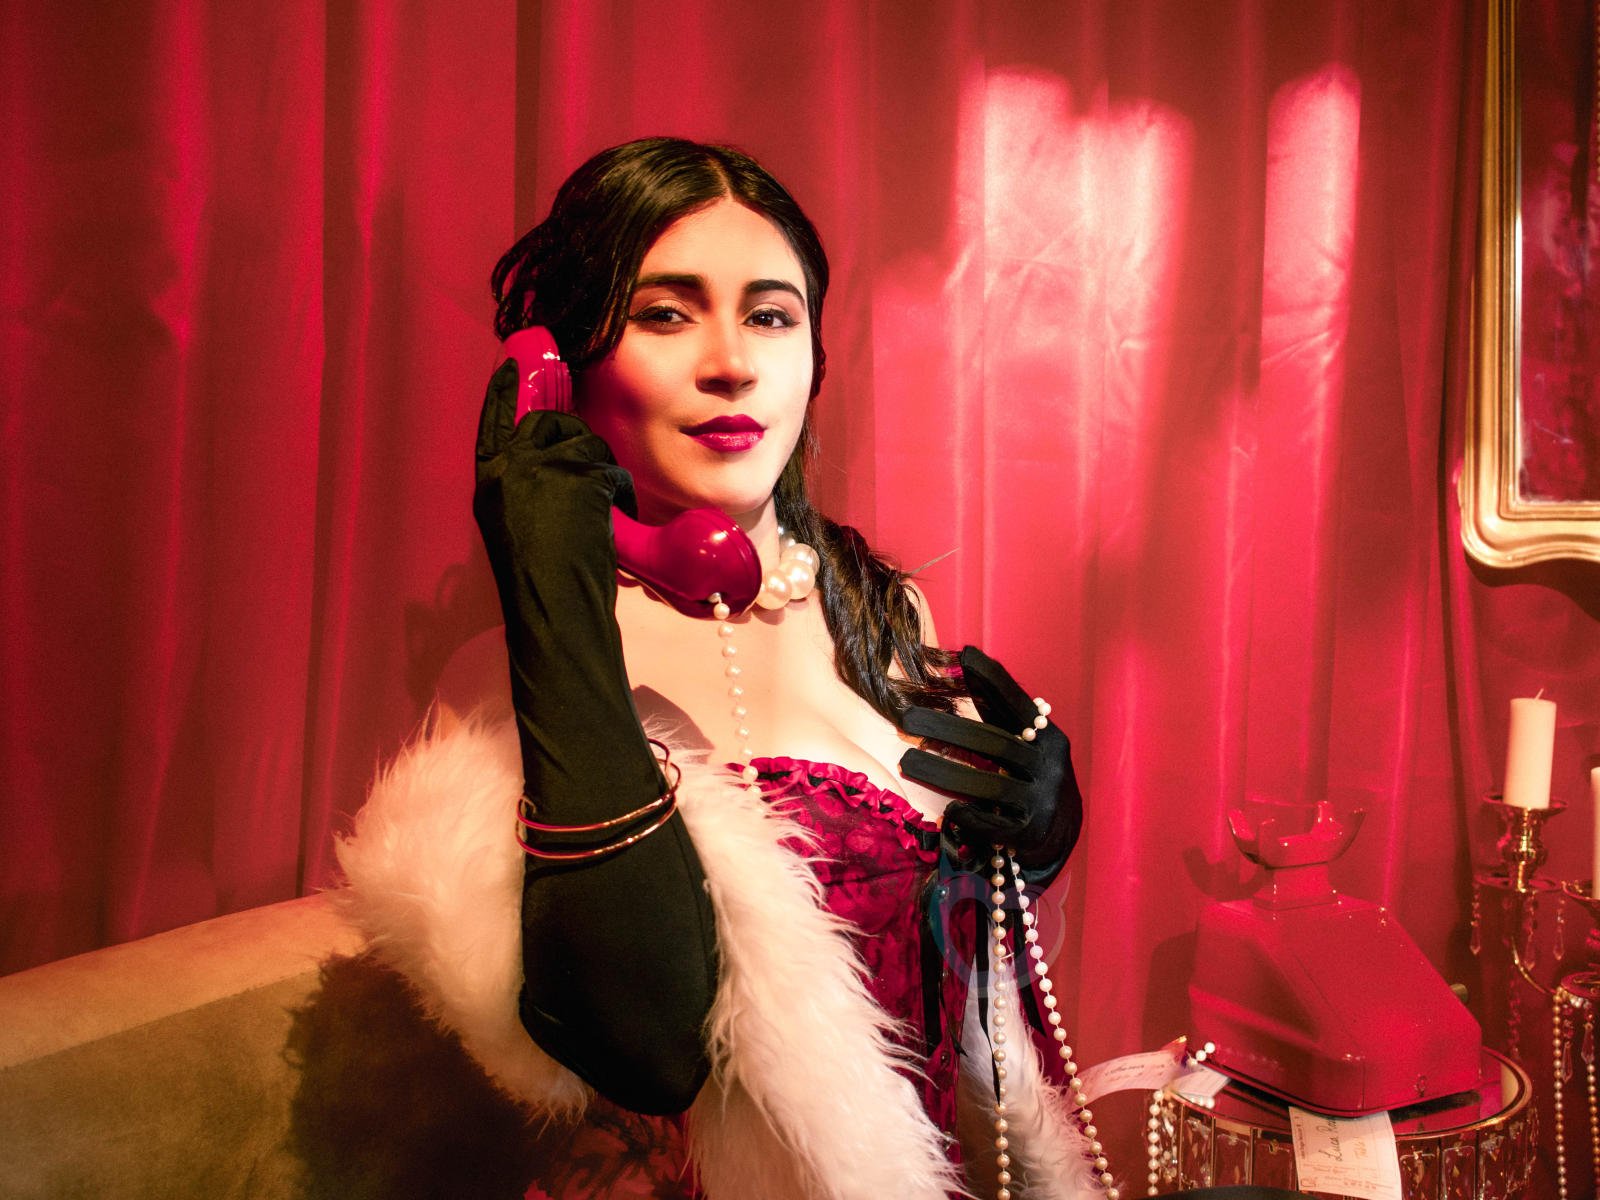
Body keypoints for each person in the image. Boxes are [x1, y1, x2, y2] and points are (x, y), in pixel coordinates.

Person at [337, 137, 1096, 1200]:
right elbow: (642, 1047)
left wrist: (1035, 844)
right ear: (563, 366)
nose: (732, 362)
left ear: (815, 358)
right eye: (665, 314)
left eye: (771, 316)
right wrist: (560, 609)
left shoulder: (884, 615)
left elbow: (944, 988)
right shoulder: (510, 677)